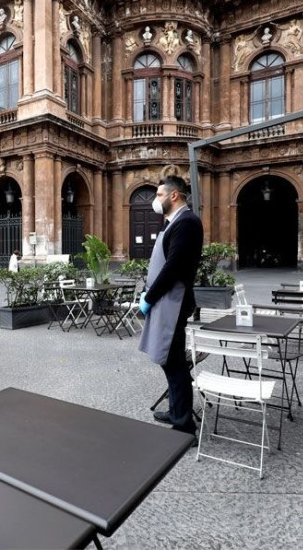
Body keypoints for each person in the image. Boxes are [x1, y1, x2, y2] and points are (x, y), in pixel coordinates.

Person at [138, 175, 204, 436]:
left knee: (174, 363)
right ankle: (177, 411)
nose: (156, 200)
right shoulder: (175, 222)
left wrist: (150, 296)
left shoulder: (187, 222)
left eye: (158, 194)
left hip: (173, 303)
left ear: (174, 195)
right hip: (168, 302)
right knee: (170, 361)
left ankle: (184, 425)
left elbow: (174, 267)